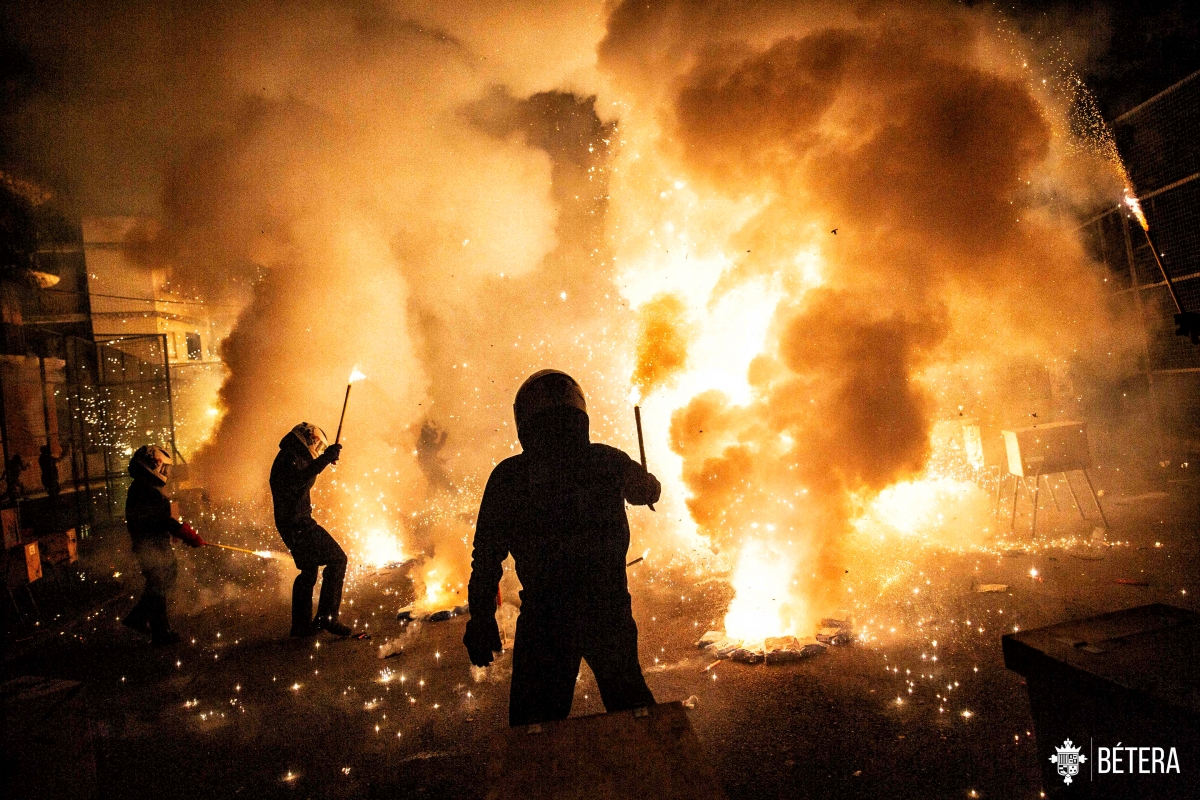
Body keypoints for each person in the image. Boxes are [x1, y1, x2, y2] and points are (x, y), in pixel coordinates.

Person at [464, 369, 661, 726]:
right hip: (606, 610)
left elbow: (486, 558)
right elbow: (643, 488)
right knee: (636, 716)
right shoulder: (606, 460)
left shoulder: (510, 476)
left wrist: (481, 618)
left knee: (533, 733)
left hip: (548, 618)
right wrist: (647, 486)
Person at [269, 422, 352, 637]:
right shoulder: (289, 459)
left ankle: (301, 626)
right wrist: (325, 459)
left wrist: (325, 458)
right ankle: (328, 617)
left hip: (292, 524)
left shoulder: (291, 456)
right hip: (298, 525)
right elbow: (299, 479)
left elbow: (305, 472)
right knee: (337, 559)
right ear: (309, 439)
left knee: (308, 570)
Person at [122, 445, 206, 645]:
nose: (166, 473)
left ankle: (160, 632)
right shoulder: (145, 491)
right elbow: (162, 520)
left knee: (158, 584)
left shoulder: (141, 488)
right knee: (161, 582)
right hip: (152, 546)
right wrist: (187, 534)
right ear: (153, 465)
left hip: (150, 545)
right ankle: (139, 619)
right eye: (164, 468)